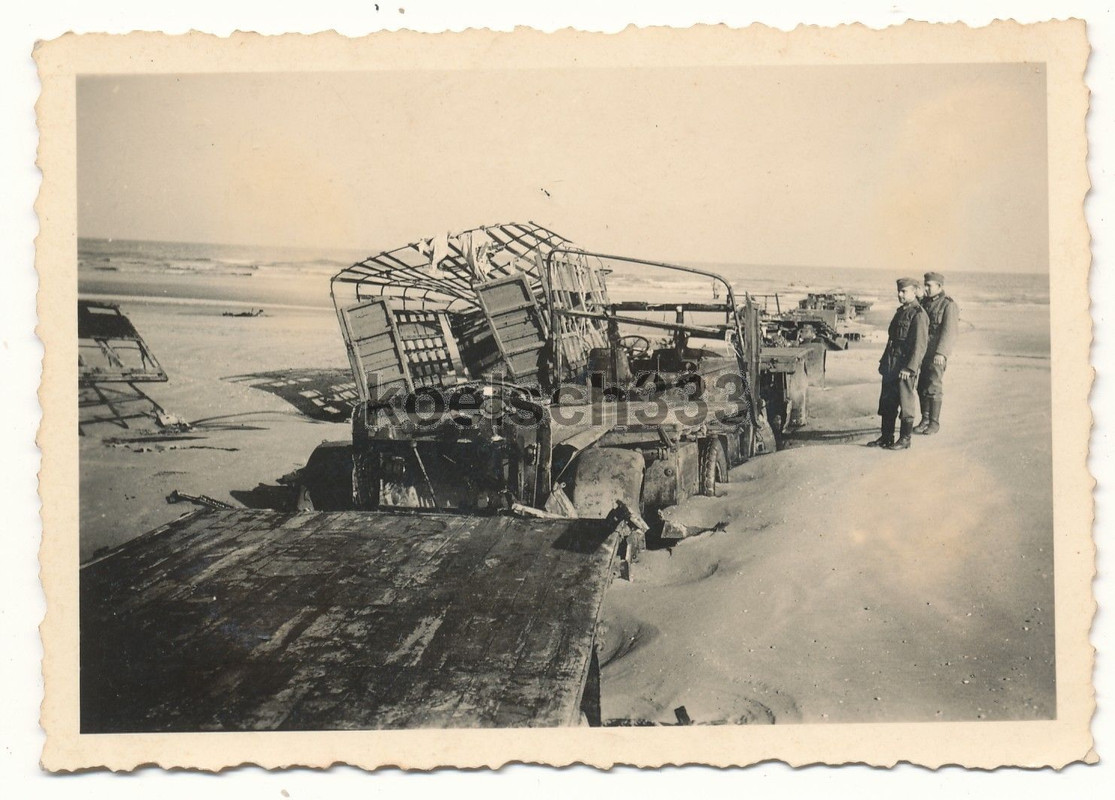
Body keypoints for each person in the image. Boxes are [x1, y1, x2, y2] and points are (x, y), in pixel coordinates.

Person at [869, 277, 928, 450]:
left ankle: (905, 439)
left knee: (906, 402)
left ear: (915, 291)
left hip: (904, 367)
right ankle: (886, 437)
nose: (900, 294)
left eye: (904, 291)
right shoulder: (901, 311)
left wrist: (910, 368)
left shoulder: (918, 314)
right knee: (888, 402)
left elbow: (919, 345)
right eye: (899, 291)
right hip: (891, 365)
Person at [914, 271, 959, 435]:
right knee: (921, 387)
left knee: (933, 386)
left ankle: (934, 422)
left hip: (936, 354)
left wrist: (941, 353)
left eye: (929, 286)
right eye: (924, 285)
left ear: (939, 287)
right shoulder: (925, 303)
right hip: (923, 352)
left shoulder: (948, 305)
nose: (925, 288)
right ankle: (924, 419)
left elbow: (949, 332)